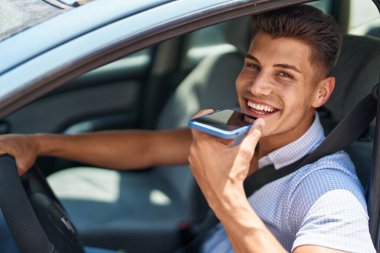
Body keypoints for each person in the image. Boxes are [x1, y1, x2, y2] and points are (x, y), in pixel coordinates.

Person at [0, 4, 376, 253]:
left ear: (321, 92)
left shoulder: (328, 190)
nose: (257, 87)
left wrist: (223, 194)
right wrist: (37, 142)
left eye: (284, 75)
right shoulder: (241, 131)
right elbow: (147, 148)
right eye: (252, 66)